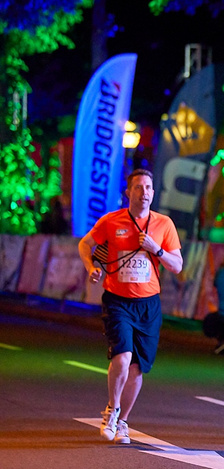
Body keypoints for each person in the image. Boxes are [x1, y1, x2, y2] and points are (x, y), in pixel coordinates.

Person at [78, 168, 183, 444]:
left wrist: (155, 249)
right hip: (117, 301)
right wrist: (92, 267)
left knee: (137, 368)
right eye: (138, 187)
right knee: (122, 358)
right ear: (129, 192)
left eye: (148, 187)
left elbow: (177, 265)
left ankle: (123, 422)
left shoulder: (164, 224)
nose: (144, 192)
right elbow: (85, 244)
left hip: (148, 305)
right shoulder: (111, 221)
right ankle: (111, 411)